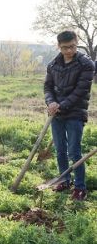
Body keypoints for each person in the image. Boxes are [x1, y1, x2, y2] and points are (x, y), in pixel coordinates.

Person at [44, 30, 94, 201]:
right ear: (58, 46)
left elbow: (81, 91)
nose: (69, 51)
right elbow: (47, 87)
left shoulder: (86, 64)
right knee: (60, 150)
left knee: (74, 151)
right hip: (55, 113)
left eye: (72, 46)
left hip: (75, 112)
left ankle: (80, 187)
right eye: (64, 48)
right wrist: (50, 102)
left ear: (76, 42)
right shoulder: (52, 65)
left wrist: (61, 105)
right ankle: (64, 180)